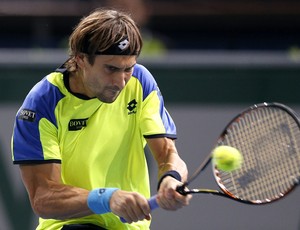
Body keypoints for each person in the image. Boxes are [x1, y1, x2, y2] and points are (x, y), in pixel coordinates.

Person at [11, 8, 191, 230]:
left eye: (128, 69)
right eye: (111, 69)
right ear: (81, 59)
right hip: (71, 225)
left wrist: (171, 178)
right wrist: (106, 199)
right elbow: (43, 197)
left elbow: (167, 154)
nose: (120, 82)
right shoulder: (43, 103)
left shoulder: (141, 82)